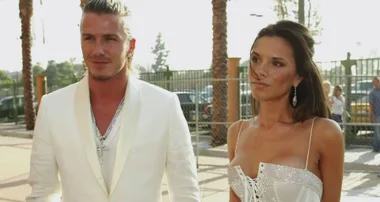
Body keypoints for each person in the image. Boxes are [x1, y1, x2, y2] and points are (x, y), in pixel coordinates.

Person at [26, 0, 200, 201]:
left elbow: (186, 193)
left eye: (110, 39)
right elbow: (42, 194)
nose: (98, 50)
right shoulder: (52, 107)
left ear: (131, 46)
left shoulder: (164, 106)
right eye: (89, 38)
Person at [227, 20, 344, 202]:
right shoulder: (237, 132)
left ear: (298, 77)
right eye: (256, 59)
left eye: (277, 63)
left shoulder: (323, 133)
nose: (260, 71)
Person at [369, 76, 380, 152]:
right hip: (377, 114)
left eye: (377, 82)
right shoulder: (372, 92)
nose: (375, 84)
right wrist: (372, 115)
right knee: (377, 132)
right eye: (374, 83)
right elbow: (371, 104)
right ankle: (376, 148)